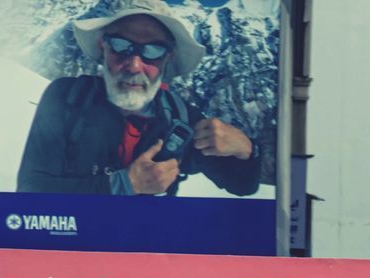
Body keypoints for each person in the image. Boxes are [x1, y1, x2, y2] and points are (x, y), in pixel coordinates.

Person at [17, 0, 260, 196]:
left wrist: (245, 149)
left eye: (152, 51)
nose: (134, 65)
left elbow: (242, 185)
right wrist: (124, 185)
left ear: (167, 59)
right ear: (104, 47)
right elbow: (30, 192)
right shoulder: (67, 99)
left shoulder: (179, 120)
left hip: (144, 254)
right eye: (121, 45)